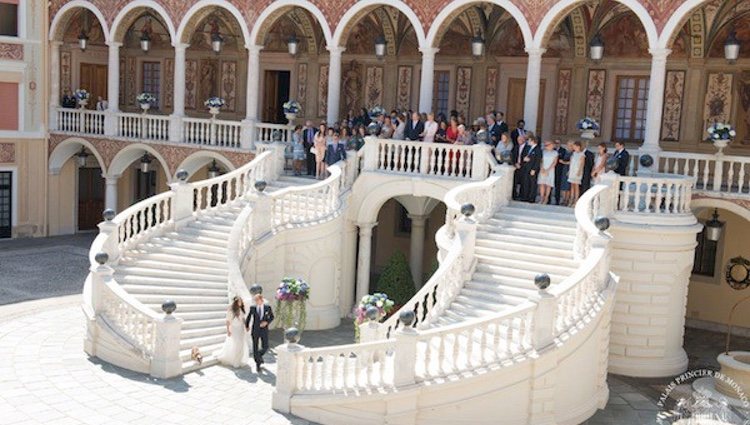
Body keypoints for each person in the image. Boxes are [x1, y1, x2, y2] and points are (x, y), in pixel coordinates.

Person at [215, 296, 249, 368]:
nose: (241, 302)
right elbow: (228, 321)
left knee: (241, 344)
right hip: (234, 329)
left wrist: (246, 326)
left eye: (241, 301)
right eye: (239, 301)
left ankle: (239, 360)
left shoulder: (241, 309)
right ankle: (235, 361)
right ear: (236, 302)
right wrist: (228, 330)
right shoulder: (231, 310)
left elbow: (243, 319)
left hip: (241, 329)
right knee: (236, 344)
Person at [245, 294, 274, 372]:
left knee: (265, 346)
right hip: (255, 329)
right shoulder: (253, 308)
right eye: (255, 300)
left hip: (264, 330)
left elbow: (272, 317)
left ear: (261, 299)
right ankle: (258, 364)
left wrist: (266, 322)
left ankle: (259, 356)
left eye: (257, 300)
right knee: (255, 346)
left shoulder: (267, 308)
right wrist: (247, 326)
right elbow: (248, 317)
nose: (256, 302)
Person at [520, 136, 542, 202]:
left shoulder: (538, 149)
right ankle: (525, 197)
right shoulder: (528, 148)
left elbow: (538, 160)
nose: (528, 142)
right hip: (526, 168)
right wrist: (525, 159)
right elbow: (524, 156)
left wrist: (534, 169)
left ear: (533, 141)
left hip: (532, 169)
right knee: (526, 182)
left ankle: (532, 198)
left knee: (532, 184)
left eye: (529, 140)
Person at [537, 141, 559, 205]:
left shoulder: (555, 153)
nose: (546, 146)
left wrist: (548, 170)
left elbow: (554, 163)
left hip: (550, 170)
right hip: (543, 169)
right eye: (546, 145)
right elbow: (541, 161)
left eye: (548, 145)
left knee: (548, 185)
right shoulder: (544, 152)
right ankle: (541, 198)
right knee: (542, 184)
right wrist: (542, 168)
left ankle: (546, 198)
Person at [512, 135, 529, 200]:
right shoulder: (516, 147)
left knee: (523, 182)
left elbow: (528, 158)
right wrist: (515, 163)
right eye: (518, 139)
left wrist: (521, 164)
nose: (519, 141)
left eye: (521, 139)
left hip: (524, 167)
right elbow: (513, 156)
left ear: (524, 140)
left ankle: (522, 196)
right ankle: (514, 195)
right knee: (515, 182)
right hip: (516, 167)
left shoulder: (527, 148)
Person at [568, 141, 585, 206]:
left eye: (574, 146)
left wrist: (579, 171)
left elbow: (582, 164)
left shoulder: (582, 154)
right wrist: (569, 171)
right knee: (572, 186)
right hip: (572, 170)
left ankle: (576, 200)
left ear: (578, 147)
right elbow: (571, 162)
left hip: (577, 171)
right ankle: (571, 199)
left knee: (576, 186)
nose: (573, 147)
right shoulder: (573, 153)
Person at [553, 140, 568, 205]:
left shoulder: (563, 150)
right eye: (555, 143)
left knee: (558, 186)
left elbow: (564, 159)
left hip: (559, 170)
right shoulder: (552, 149)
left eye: (558, 143)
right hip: (551, 170)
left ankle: (557, 200)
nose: (556, 144)